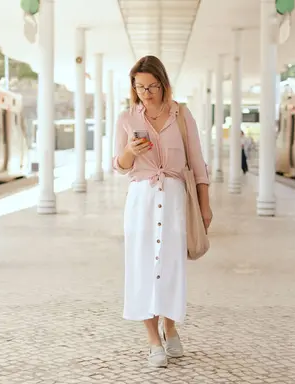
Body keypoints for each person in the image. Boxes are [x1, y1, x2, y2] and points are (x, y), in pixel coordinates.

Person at [112, 55, 212, 368]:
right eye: (139, 86)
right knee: (141, 267)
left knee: (170, 266)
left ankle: (170, 327)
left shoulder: (181, 115)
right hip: (141, 200)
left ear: (164, 83)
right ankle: (153, 340)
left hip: (174, 200)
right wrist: (130, 151)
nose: (146, 92)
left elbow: (197, 162)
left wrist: (205, 205)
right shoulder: (127, 118)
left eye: (152, 86)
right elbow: (119, 166)